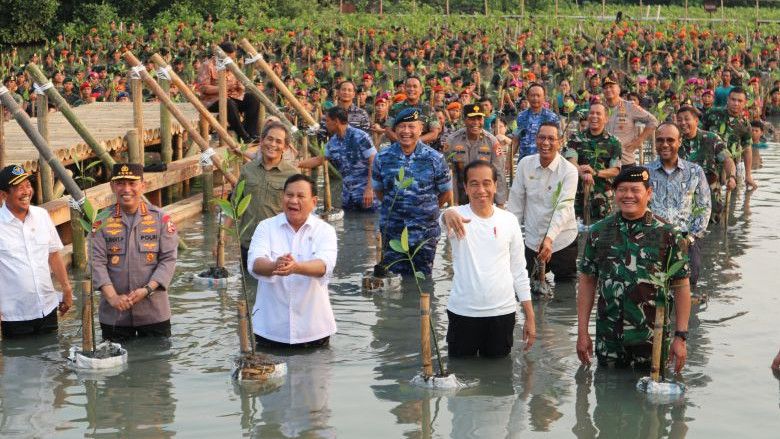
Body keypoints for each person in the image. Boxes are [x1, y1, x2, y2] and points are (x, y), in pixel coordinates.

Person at [576, 166, 691, 373]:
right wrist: (582, 332)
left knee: (652, 400)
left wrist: (680, 336)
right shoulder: (599, 232)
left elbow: (681, 286)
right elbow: (587, 282)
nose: (628, 195)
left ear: (648, 193)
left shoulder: (668, 234)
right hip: (608, 338)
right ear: (615, 193)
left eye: (635, 190)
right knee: (605, 396)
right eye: (622, 189)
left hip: (651, 340)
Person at [439, 161, 535, 358]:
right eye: (474, 184)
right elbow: (440, 221)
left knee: (499, 379)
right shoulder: (457, 217)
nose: (481, 190)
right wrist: (446, 213)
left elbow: (519, 271)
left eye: (486, 183)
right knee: (460, 374)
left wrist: (530, 317)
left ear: (495, 185)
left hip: (502, 313)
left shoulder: (509, 220)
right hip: (463, 312)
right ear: (465, 187)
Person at [248, 174, 338, 348]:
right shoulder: (265, 227)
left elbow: (325, 265)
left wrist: (296, 267)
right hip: (269, 330)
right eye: (289, 195)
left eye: (300, 196)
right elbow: (255, 263)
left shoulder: (325, 230)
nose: (293, 201)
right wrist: (275, 265)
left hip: (314, 331)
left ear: (313, 201)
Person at [92, 163, 178, 341]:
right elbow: (96, 263)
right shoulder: (100, 222)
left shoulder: (161, 219)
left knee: (157, 365)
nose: (126, 189)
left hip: (154, 312)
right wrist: (113, 297)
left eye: (132, 183)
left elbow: (168, 259)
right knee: (114, 367)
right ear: (112, 186)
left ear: (143, 185)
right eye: (121, 183)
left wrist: (147, 289)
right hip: (114, 315)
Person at [372, 107, 452, 276]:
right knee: (392, 279)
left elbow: (446, 193)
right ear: (395, 129)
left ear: (420, 129)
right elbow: (379, 191)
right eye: (402, 126)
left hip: (424, 233)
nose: (406, 131)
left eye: (411, 126)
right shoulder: (383, 157)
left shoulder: (435, 158)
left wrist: (425, 209)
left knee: (423, 280)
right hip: (393, 230)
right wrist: (397, 208)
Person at [0, 165, 72, 337]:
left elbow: (53, 255)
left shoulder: (41, 215)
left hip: (47, 307)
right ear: (3, 195)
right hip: (14, 315)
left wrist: (67, 289)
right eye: (19, 188)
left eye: (27, 185)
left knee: (51, 357)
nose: (26, 192)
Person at [507, 122, 579, 283]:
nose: (546, 143)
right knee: (528, 286)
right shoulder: (525, 164)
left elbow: (564, 207)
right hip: (532, 240)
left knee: (566, 289)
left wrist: (550, 239)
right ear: (535, 139)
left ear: (560, 142)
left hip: (562, 240)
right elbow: (515, 204)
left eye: (551, 138)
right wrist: (509, 236)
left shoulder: (569, 171)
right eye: (542, 137)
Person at [647, 123, 711, 287]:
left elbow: (704, 208)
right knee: (652, 291)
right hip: (653, 241)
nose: (665, 144)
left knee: (686, 287)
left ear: (680, 142)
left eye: (670, 140)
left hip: (686, 240)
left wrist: (689, 238)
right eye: (660, 140)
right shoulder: (645, 172)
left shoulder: (694, 171)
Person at [231, 122, 298, 263]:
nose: (273, 144)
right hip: (248, 242)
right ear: (261, 141)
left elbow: (300, 212)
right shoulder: (247, 170)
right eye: (269, 139)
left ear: (285, 147)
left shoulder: (292, 175)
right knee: (248, 283)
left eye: (278, 141)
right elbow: (233, 206)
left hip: (279, 245)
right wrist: (221, 240)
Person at [298, 106, 377, 211]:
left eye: (327, 121)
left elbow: (374, 162)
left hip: (366, 194)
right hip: (348, 197)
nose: (325, 124)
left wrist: (369, 188)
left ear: (336, 121)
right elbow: (319, 160)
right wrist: (298, 165)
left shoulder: (361, 136)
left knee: (369, 224)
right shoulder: (333, 142)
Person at [676, 105, 737, 224]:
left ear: (696, 121)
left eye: (687, 119)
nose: (683, 123)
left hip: (710, 196)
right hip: (683, 197)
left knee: (713, 231)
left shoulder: (711, 138)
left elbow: (727, 160)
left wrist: (732, 177)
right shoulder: (674, 140)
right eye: (679, 120)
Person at [564, 103, 622, 222]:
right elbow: (571, 162)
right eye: (591, 113)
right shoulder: (576, 138)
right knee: (577, 231)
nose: (594, 116)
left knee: (602, 234)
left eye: (598, 113)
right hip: (577, 194)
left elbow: (615, 170)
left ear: (606, 118)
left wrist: (595, 173)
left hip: (602, 196)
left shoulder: (614, 142)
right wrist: (583, 173)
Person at [444, 103, 507, 206]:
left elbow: (499, 173)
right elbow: (450, 173)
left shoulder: (492, 142)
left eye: (479, 119)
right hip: (460, 197)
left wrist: (500, 203)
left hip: (484, 196)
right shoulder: (452, 141)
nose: (476, 123)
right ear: (464, 119)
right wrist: (453, 202)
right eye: (472, 119)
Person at [197, 41, 260, 143]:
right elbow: (203, 88)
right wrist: (223, 88)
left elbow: (237, 84)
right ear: (220, 54)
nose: (230, 60)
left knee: (252, 99)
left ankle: (252, 133)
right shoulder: (207, 65)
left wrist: (240, 87)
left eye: (232, 58)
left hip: (232, 96)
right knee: (229, 103)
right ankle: (244, 136)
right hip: (213, 101)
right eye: (228, 57)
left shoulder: (231, 66)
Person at [701, 87, 758, 190]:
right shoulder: (712, 113)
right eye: (733, 99)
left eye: (740, 101)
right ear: (728, 99)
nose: (736, 103)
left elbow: (747, 149)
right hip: (710, 164)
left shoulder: (745, 124)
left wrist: (748, 175)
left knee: (733, 197)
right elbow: (699, 133)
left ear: (745, 103)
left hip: (731, 167)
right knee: (711, 197)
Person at [602, 74, 658, 166]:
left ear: (619, 89)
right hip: (604, 164)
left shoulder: (630, 106)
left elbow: (653, 121)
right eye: (605, 87)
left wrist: (639, 140)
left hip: (625, 162)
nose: (608, 89)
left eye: (611, 86)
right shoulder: (600, 109)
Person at [385, 76, 441, 144]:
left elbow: (434, 133)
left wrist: (415, 142)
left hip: (421, 151)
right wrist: (403, 142)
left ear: (421, 90)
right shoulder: (395, 107)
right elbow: (388, 130)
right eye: (408, 86)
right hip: (399, 149)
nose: (411, 89)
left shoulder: (428, 109)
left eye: (415, 86)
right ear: (405, 89)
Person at [512, 83, 560, 161]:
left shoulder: (552, 117)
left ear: (544, 98)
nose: (535, 98)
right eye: (532, 95)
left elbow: (557, 142)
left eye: (538, 95)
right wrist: (508, 161)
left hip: (545, 161)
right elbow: (516, 140)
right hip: (524, 160)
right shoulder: (521, 116)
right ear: (527, 97)